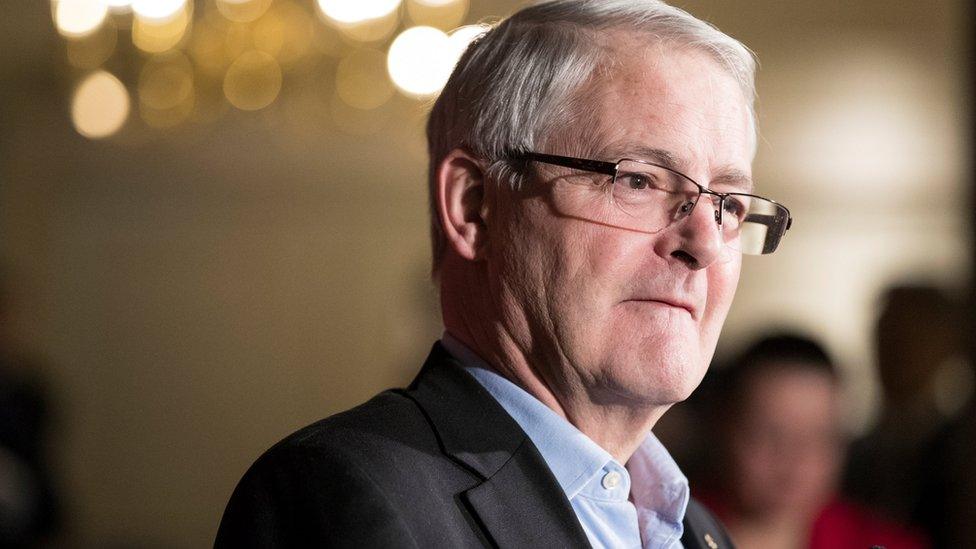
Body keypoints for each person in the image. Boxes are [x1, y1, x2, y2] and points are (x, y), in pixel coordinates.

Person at [215, 1, 793, 547]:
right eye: (637, 180)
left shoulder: (698, 530)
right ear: (474, 208)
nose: (703, 244)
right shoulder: (344, 496)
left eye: (730, 204)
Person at [694, 334, 927, 549]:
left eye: (819, 437)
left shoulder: (884, 543)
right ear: (723, 428)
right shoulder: (670, 530)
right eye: (770, 435)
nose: (795, 460)